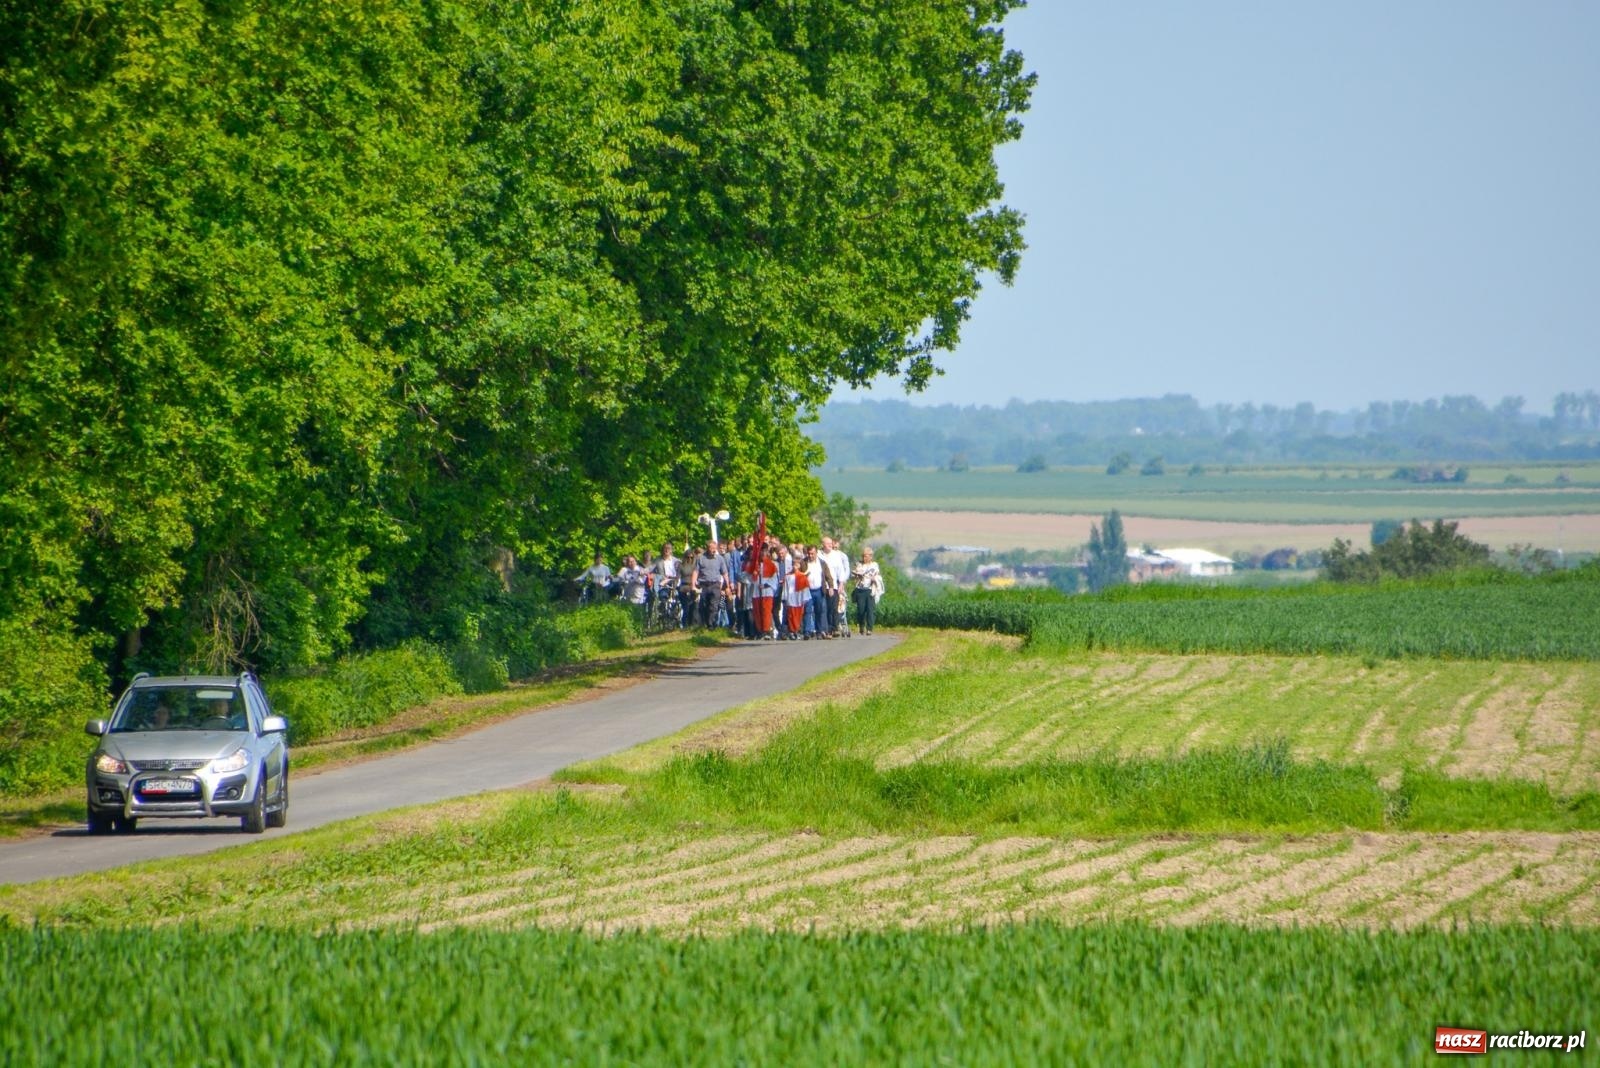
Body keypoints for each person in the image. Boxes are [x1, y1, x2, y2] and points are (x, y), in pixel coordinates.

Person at [692, 541, 731, 628]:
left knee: (714, 605)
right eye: (712, 548)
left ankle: (711, 623)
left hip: (715, 584)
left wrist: (727, 584)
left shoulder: (720, 559)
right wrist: (693, 584)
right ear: (707, 548)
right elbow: (696, 571)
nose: (714, 550)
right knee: (705, 604)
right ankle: (707, 622)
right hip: (704, 584)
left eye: (715, 548)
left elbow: (724, 573)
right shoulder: (701, 558)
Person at [820, 537, 851, 637]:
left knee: (833, 608)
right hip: (822, 586)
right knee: (825, 608)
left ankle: (834, 628)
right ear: (823, 544)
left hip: (834, 585)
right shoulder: (819, 555)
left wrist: (841, 584)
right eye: (827, 543)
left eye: (831, 543)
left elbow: (841, 571)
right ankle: (826, 629)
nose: (830, 545)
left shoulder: (836, 555)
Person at [851, 546, 884, 636]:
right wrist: (857, 575)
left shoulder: (874, 565)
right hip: (860, 589)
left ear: (871, 556)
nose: (864, 558)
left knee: (870, 610)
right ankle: (861, 625)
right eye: (863, 556)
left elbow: (878, 575)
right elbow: (852, 575)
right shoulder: (859, 564)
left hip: (870, 589)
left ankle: (869, 628)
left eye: (866, 556)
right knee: (861, 610)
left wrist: (875, 579)